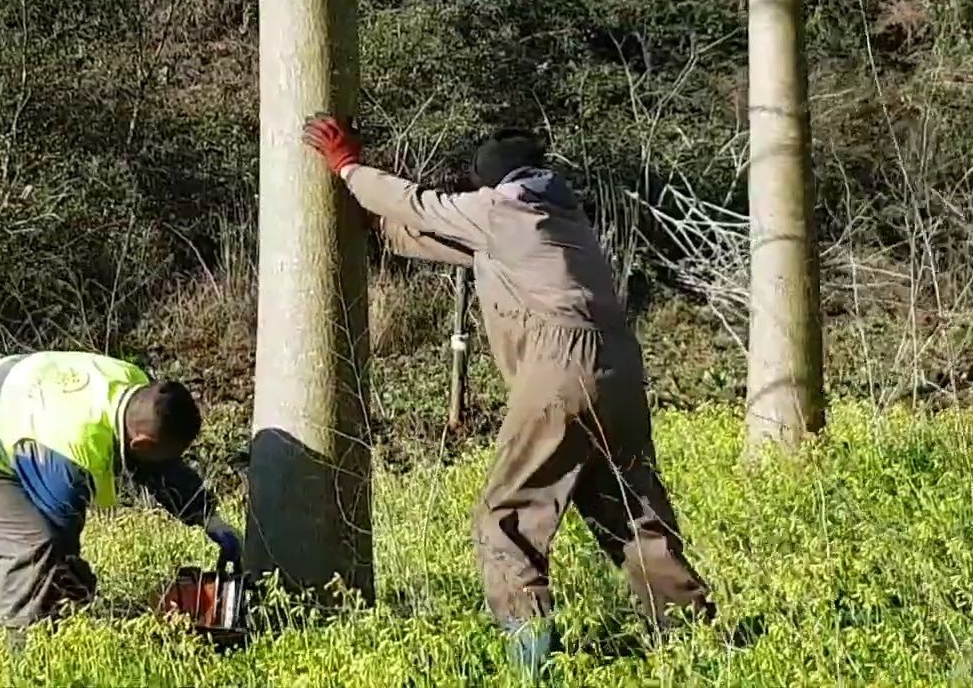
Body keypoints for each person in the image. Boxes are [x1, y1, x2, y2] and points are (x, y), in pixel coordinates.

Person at [303, 118, 713, 673]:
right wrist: (377, 227)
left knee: (506, 518)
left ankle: (532, 658)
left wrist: (347, 167)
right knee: (630, 510)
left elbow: (416, 203)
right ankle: (695, 642)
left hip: (561, 370)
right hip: (620, 371)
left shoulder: (497, 209)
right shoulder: (564, 216)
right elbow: (441, 239)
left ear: (490, 182)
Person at [0, 351, 241, 639]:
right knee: (29, 549)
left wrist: (209, 518)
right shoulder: (69, 456)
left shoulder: (135, 388)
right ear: (142, 443)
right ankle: (18, 660)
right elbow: (56, 549)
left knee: (35, 562)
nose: (169, 461)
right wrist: (80, 590)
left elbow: (157, 467)